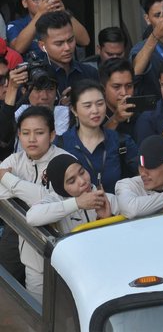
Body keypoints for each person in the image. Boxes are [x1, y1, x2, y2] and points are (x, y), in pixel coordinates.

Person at [26, 154, 118, 301]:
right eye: (71, 181)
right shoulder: (54, 200)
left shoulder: (109, 198)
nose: (82, 181)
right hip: (70, 281)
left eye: (82, 172)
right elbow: (32, 217)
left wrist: (105, 219)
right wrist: (77, 203)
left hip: (103, 275)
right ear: (60, 187)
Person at [0, 106, 68, 299]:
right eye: (25, 133)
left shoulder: (65, 161)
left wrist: (11, 181)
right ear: (18, 135)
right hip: (25, 243)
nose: (31, 139)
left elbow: (50, 204)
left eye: (39, 133)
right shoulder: (14, 159)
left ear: (52, 134)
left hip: (60, 244)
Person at [55, 79, 138, 193]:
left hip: (117, 209)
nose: (95, 110)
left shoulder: (122, 142)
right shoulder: (61, 145)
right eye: (87, 106)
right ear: (74, 110)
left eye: (100, 104)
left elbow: (141, 177)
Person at [7, 0, 90, 56]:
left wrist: (64, 12)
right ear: (25, 2)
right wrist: (40, 13)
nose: (43, 1)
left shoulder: (61, 20)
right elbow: (18, 49)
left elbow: (85, 41)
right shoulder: (16, 25)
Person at [0, 64, 69, 156]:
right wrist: (12, 89)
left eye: (50, 89)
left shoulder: (68, 114)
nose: (44, 96)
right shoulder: (20, 112)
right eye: (37, 89)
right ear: (25, 91)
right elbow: (3, 137)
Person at [35, 11, 98, 94]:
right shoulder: (36, 77)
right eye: (59, 43)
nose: (67, 48)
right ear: (42, 46)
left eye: (70, 40)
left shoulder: (90, 73)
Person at [98, 58, 137, 138]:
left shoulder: (141, 114)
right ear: (103, 89)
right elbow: (94, 145)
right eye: (116, 87)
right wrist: (115, 120)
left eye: (129, 86)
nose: (124, 92)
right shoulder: (95, 114)